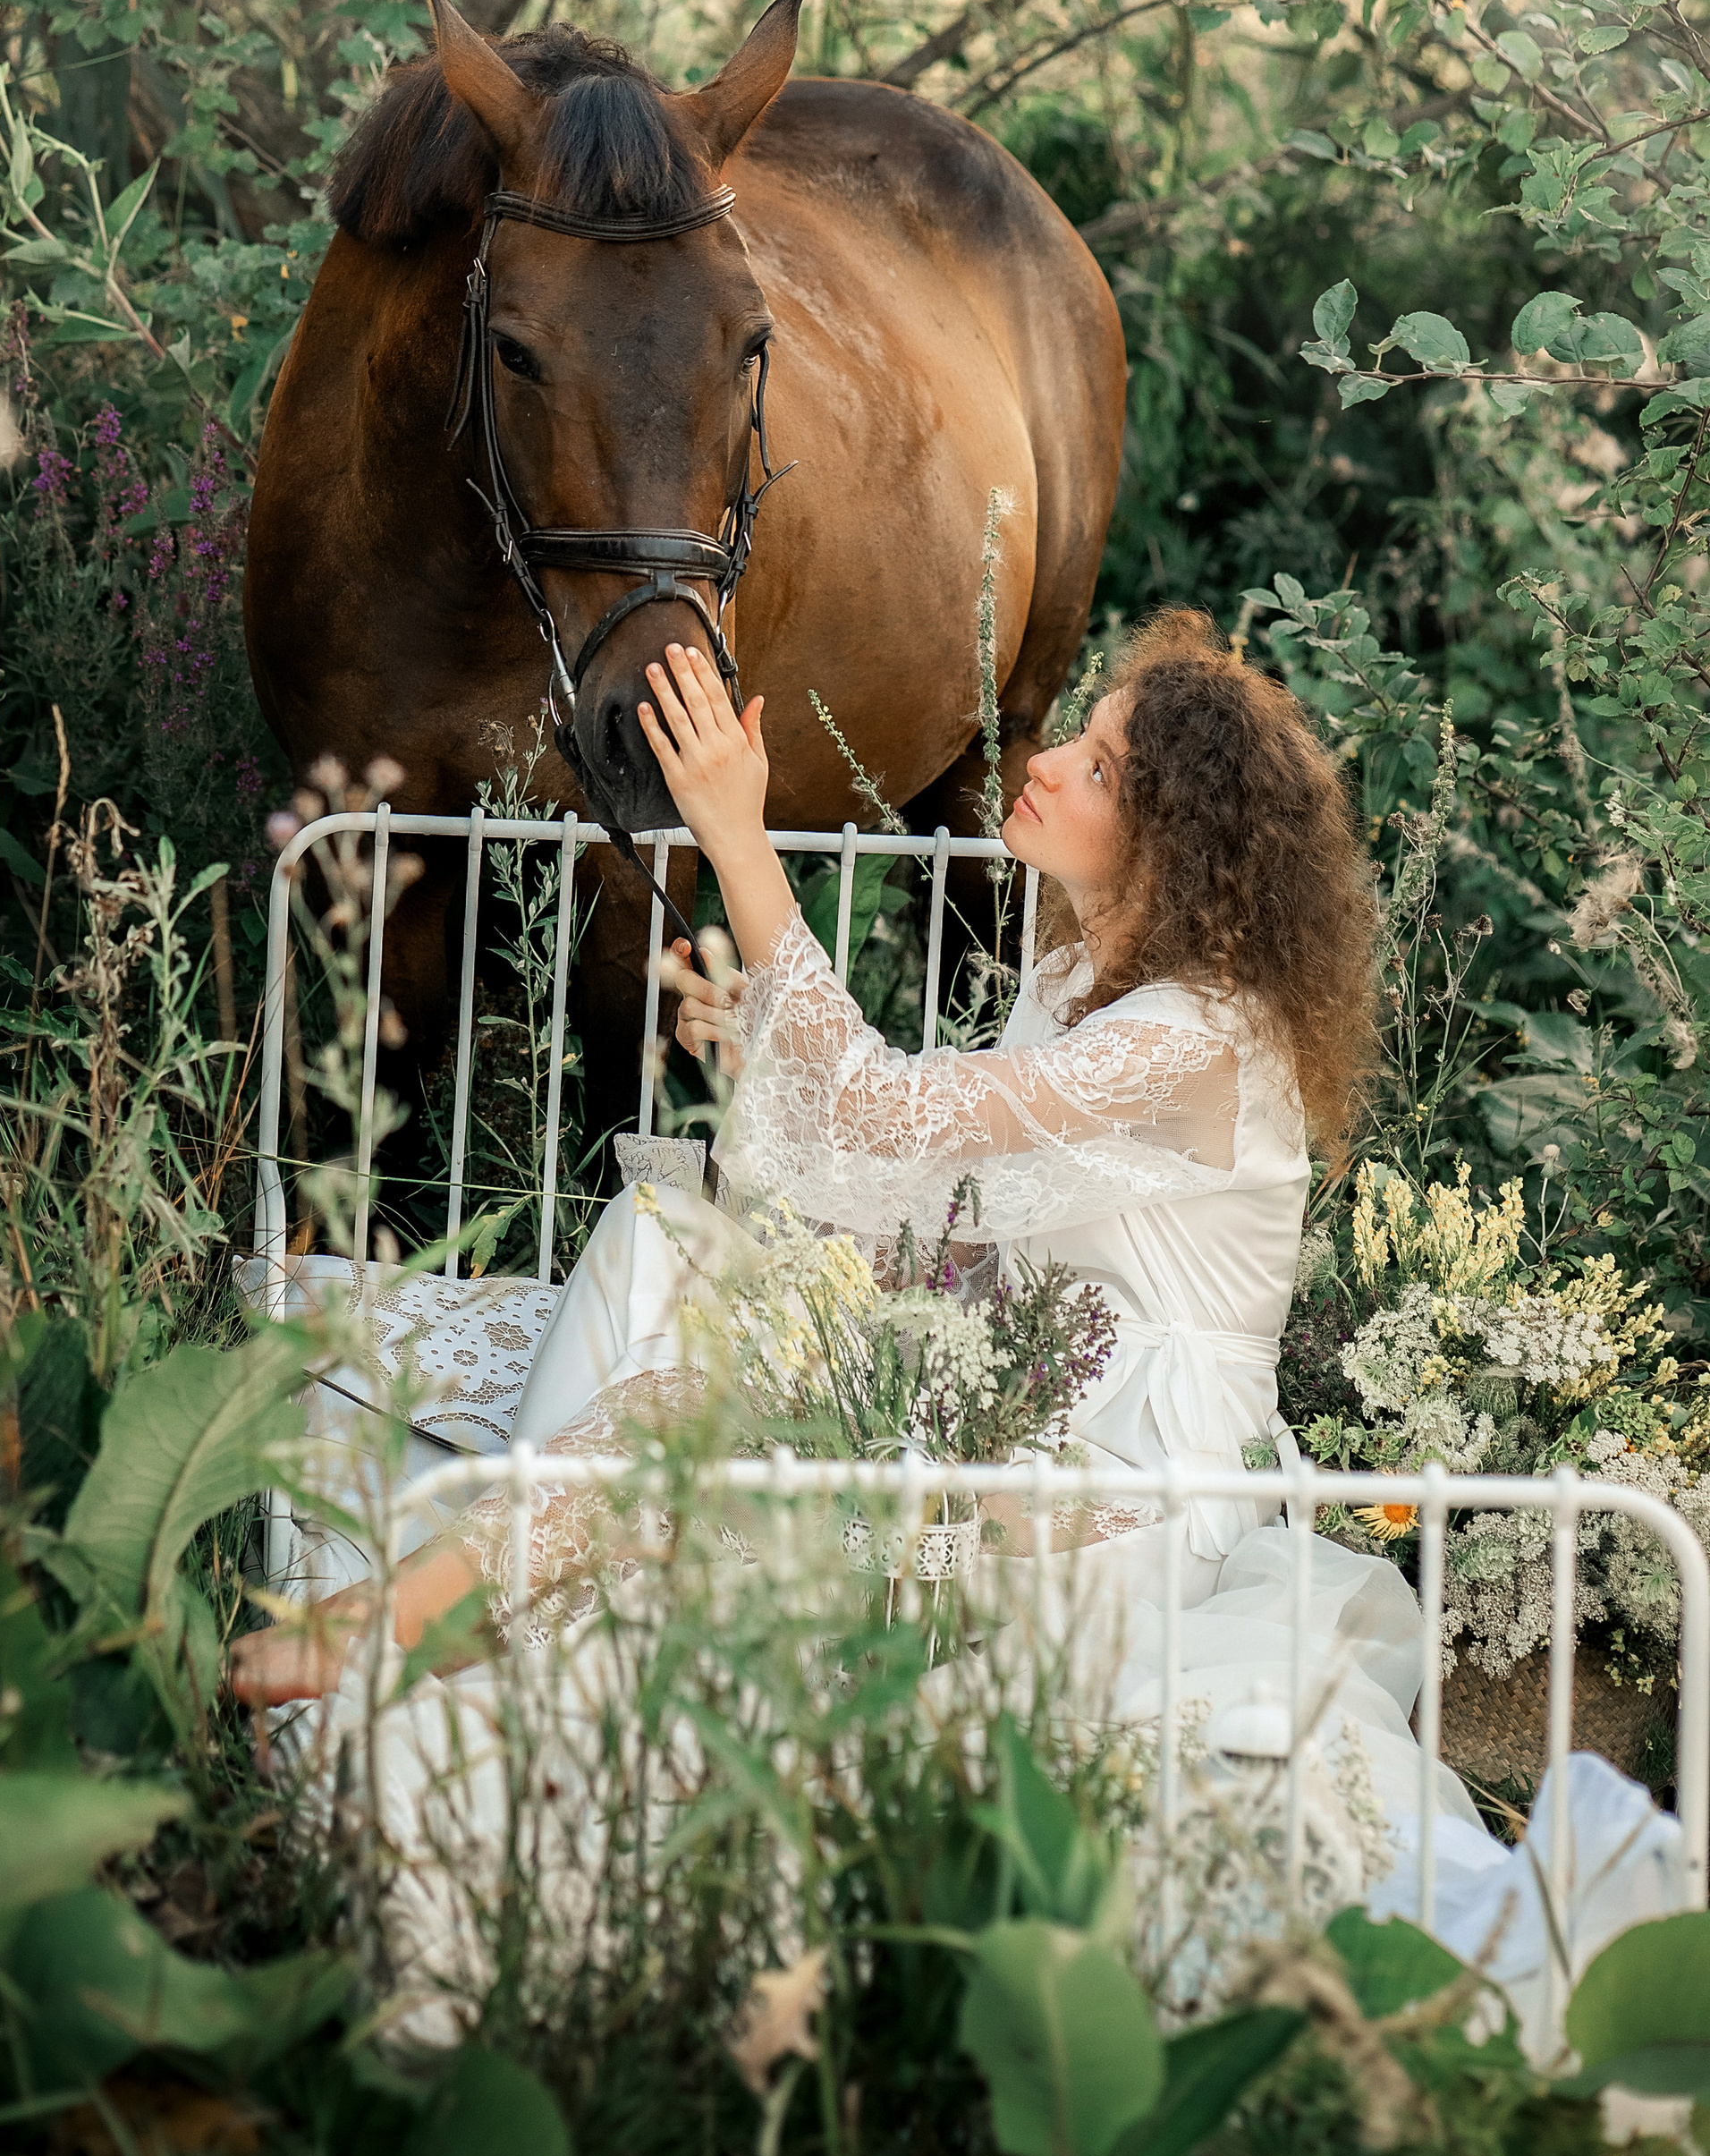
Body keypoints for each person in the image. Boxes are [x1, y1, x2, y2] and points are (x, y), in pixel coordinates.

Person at [231, 617, 1689, 2049]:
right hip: (1003, 1399)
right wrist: (768, 1048)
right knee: (694, 1350)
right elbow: (927, 1218)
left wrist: (739, 838)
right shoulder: (1073, 991)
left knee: (714, 1451)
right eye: (1080, 742)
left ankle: (394, 1635)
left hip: (1130, 1479)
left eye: (1100, 769)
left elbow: (885, 1118)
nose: (1044, 763)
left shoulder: (1203, 1034)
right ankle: (427, 1634)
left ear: (1175, 847)